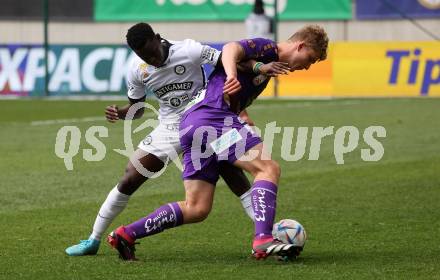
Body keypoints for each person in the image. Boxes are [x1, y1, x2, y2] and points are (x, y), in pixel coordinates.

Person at [106, 25, 329, 261]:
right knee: (268, 168)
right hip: (211, 117)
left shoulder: (267, 69)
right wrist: (232, 76)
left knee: (197, 208)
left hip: (196, 125)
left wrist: (244, 119)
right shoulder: (269, 48)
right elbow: (231, 49)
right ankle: (263, 239)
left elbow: (235, 97)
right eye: (310, 59)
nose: (306, 66)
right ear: (301, 46)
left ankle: (126, 234)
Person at [65, 22, 266, 256]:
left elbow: (231, 60)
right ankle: (93, 239)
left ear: (158, 38)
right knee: (130, 176)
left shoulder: (189, 50)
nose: (152, 60)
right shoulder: (137, 69)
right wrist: (120, 112)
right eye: (144, 57)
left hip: (205, 117)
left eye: (152, 53)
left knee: (233, 173)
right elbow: (137, 109)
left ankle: (267, 234)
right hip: (170, 127)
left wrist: (258, 69)